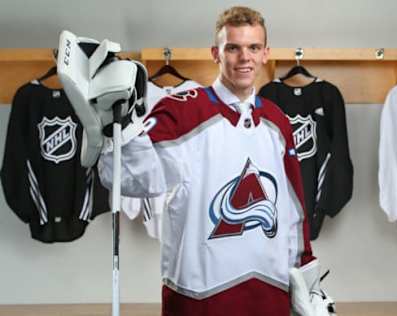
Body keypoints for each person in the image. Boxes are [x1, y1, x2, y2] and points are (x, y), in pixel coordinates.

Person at [96, 6, 317, 316]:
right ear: (216, 53)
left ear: (266, 53)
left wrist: (306, 276)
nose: (245, 58)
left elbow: (294, 209)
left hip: (269, 290)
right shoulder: (180, 112)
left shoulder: (276, 121)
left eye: (253, 47)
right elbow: (134, 178)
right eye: (233, 48)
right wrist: (115, 127)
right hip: (201, 294)